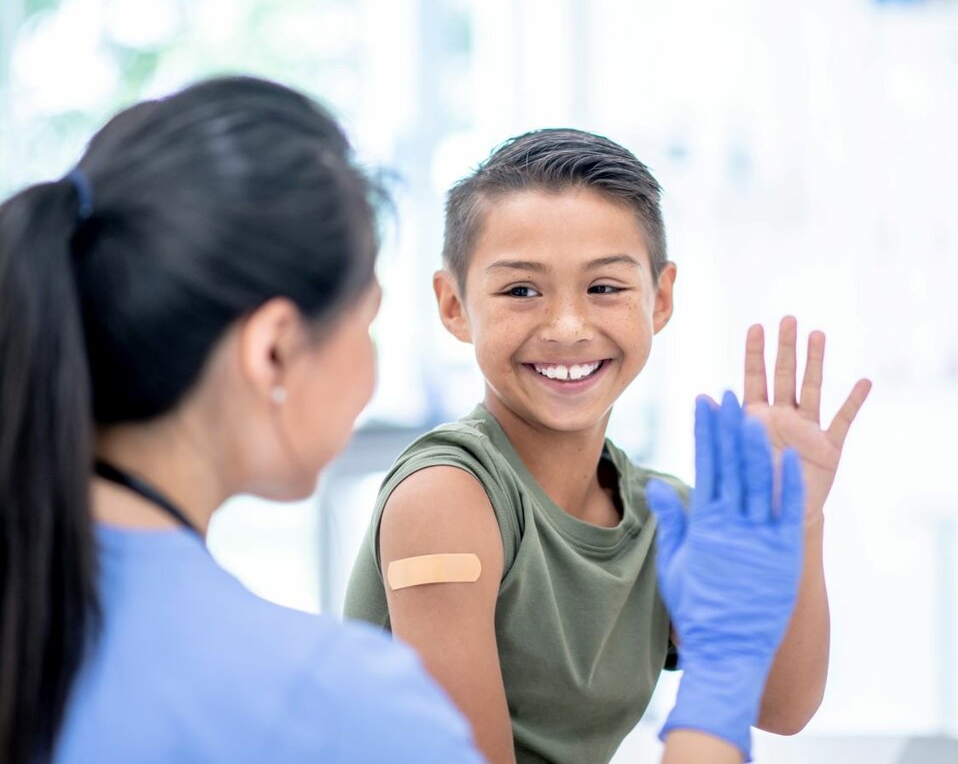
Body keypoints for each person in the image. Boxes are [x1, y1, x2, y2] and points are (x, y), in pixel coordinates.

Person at [0, 75, 802, 764]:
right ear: (275, 351)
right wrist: (715, 698)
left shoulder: (47, 616)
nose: (566, 325)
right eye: (367, 321)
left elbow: (792, 696)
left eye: (604, 286)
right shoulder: (323, 696)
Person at [344, 128, 872, 764]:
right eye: (520, 290)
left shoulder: (661, 513)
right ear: (454, 305)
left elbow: (780, 705)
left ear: (662, 297)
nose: (568, 327)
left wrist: (799, 519)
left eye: (605, 288)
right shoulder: (445, 497)